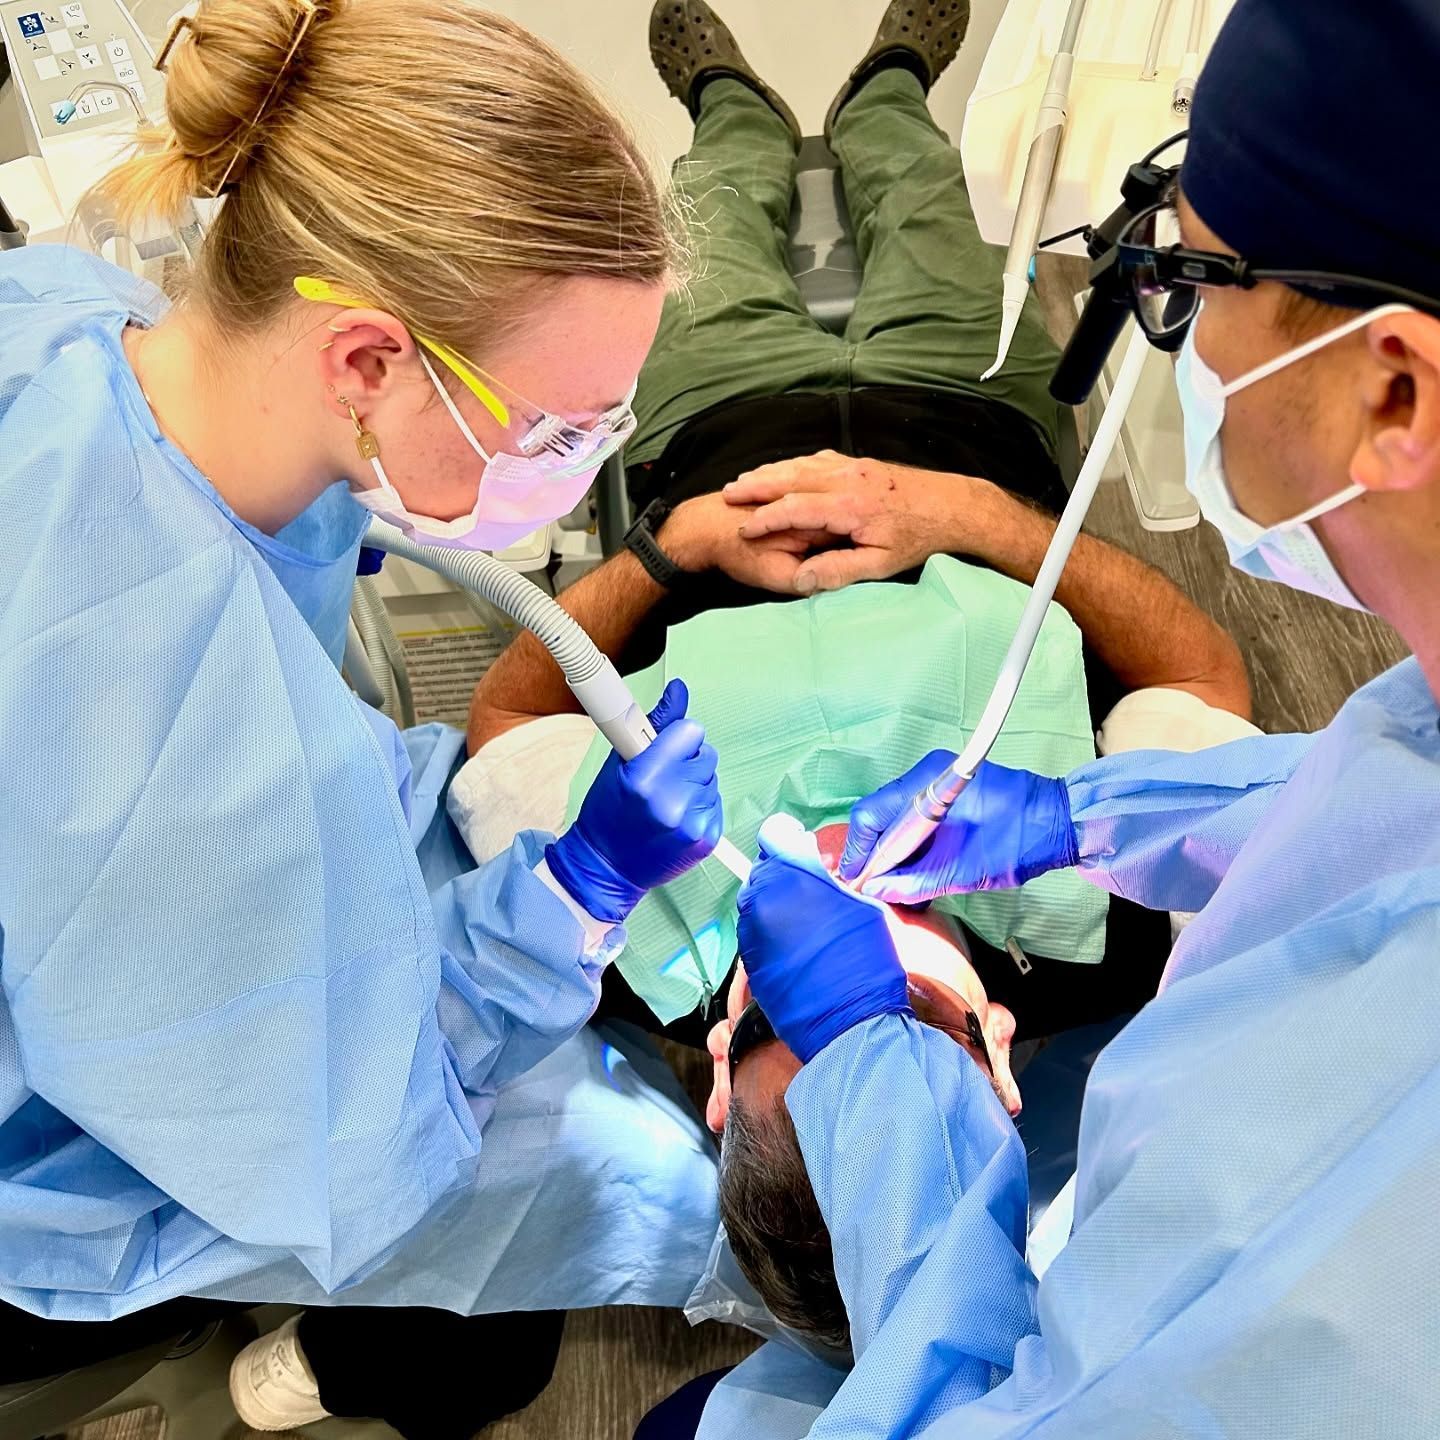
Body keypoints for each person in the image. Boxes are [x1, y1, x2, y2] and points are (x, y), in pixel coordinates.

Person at [693, 0, 1440, 1436]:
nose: (1188, 343)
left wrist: (869, 1069)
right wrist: (1077, 814)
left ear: (1392, 384)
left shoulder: (1349, 1200)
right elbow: (1376, 817)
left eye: (1188, 283)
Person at [0, 2, 728, 1435]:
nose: (575, 475)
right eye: (556, 429)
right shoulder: (189, 780)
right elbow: (359, 1137)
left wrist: (300, 541)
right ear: (364, 364)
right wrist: (576, 894)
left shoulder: (70, 323)